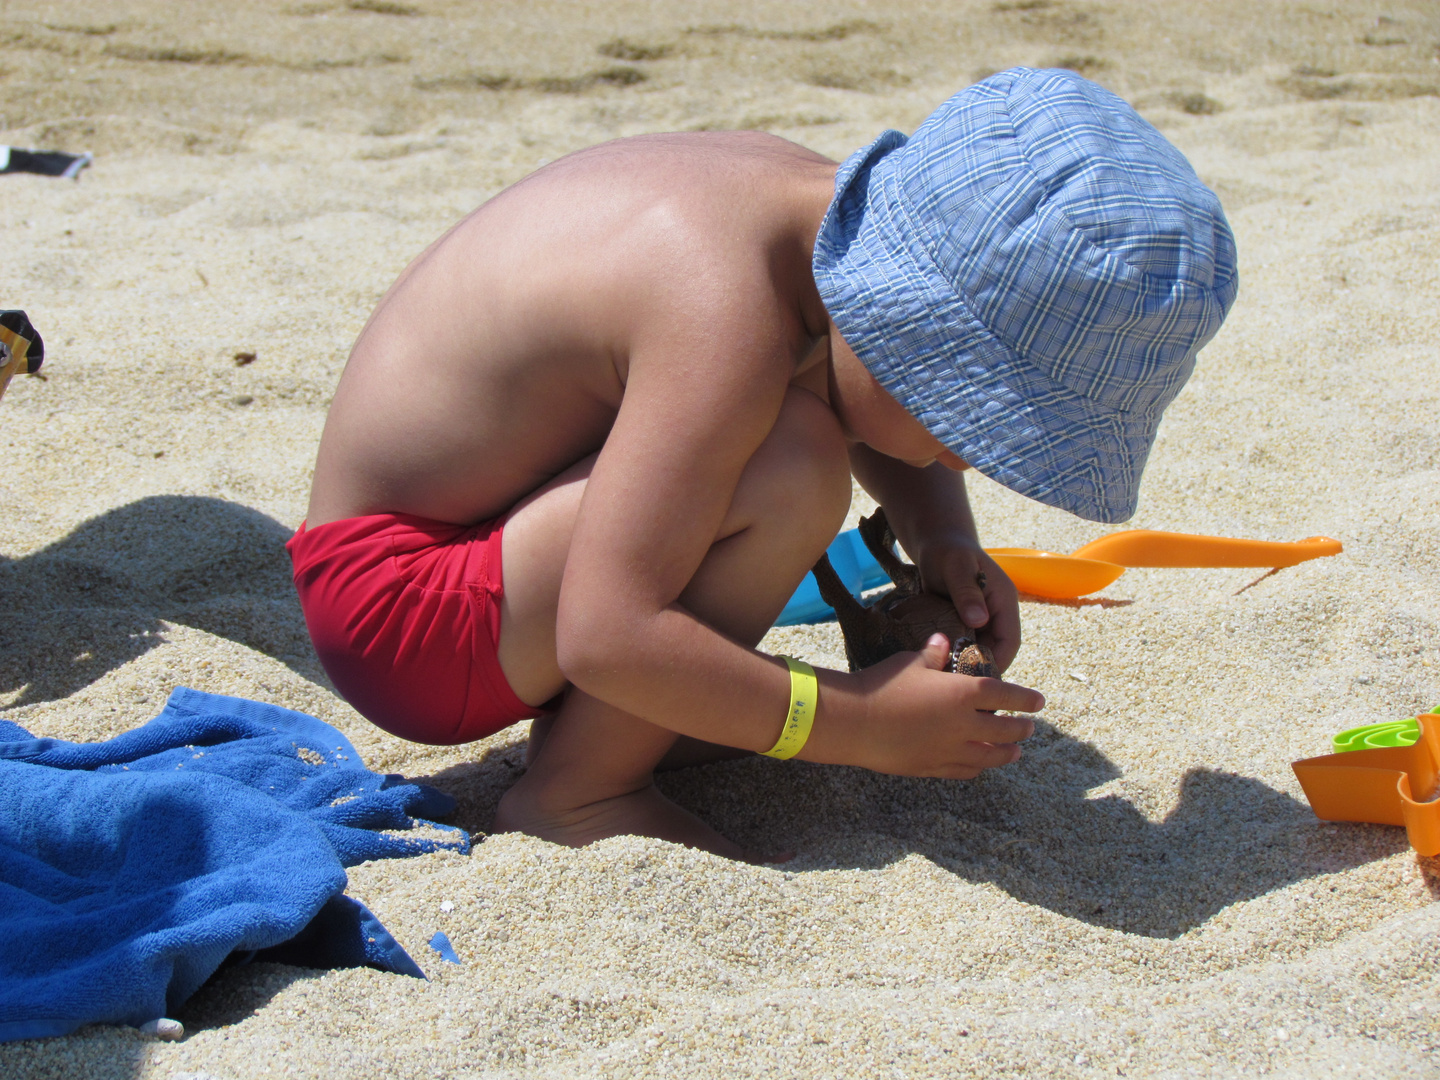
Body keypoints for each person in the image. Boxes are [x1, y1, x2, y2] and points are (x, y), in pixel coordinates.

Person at [288, 67, 1237, 861]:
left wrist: (942, 535)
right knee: (793, 464)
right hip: (401, 611)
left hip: (487, 548)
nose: (967, 455)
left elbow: (865, 372)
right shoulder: (720, 308)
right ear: (903, 325)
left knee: (795, 434)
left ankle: (652, 722)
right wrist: (861, 724)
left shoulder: (802, 218)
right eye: (970, 423)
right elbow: (606, 635)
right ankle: (580, 791)